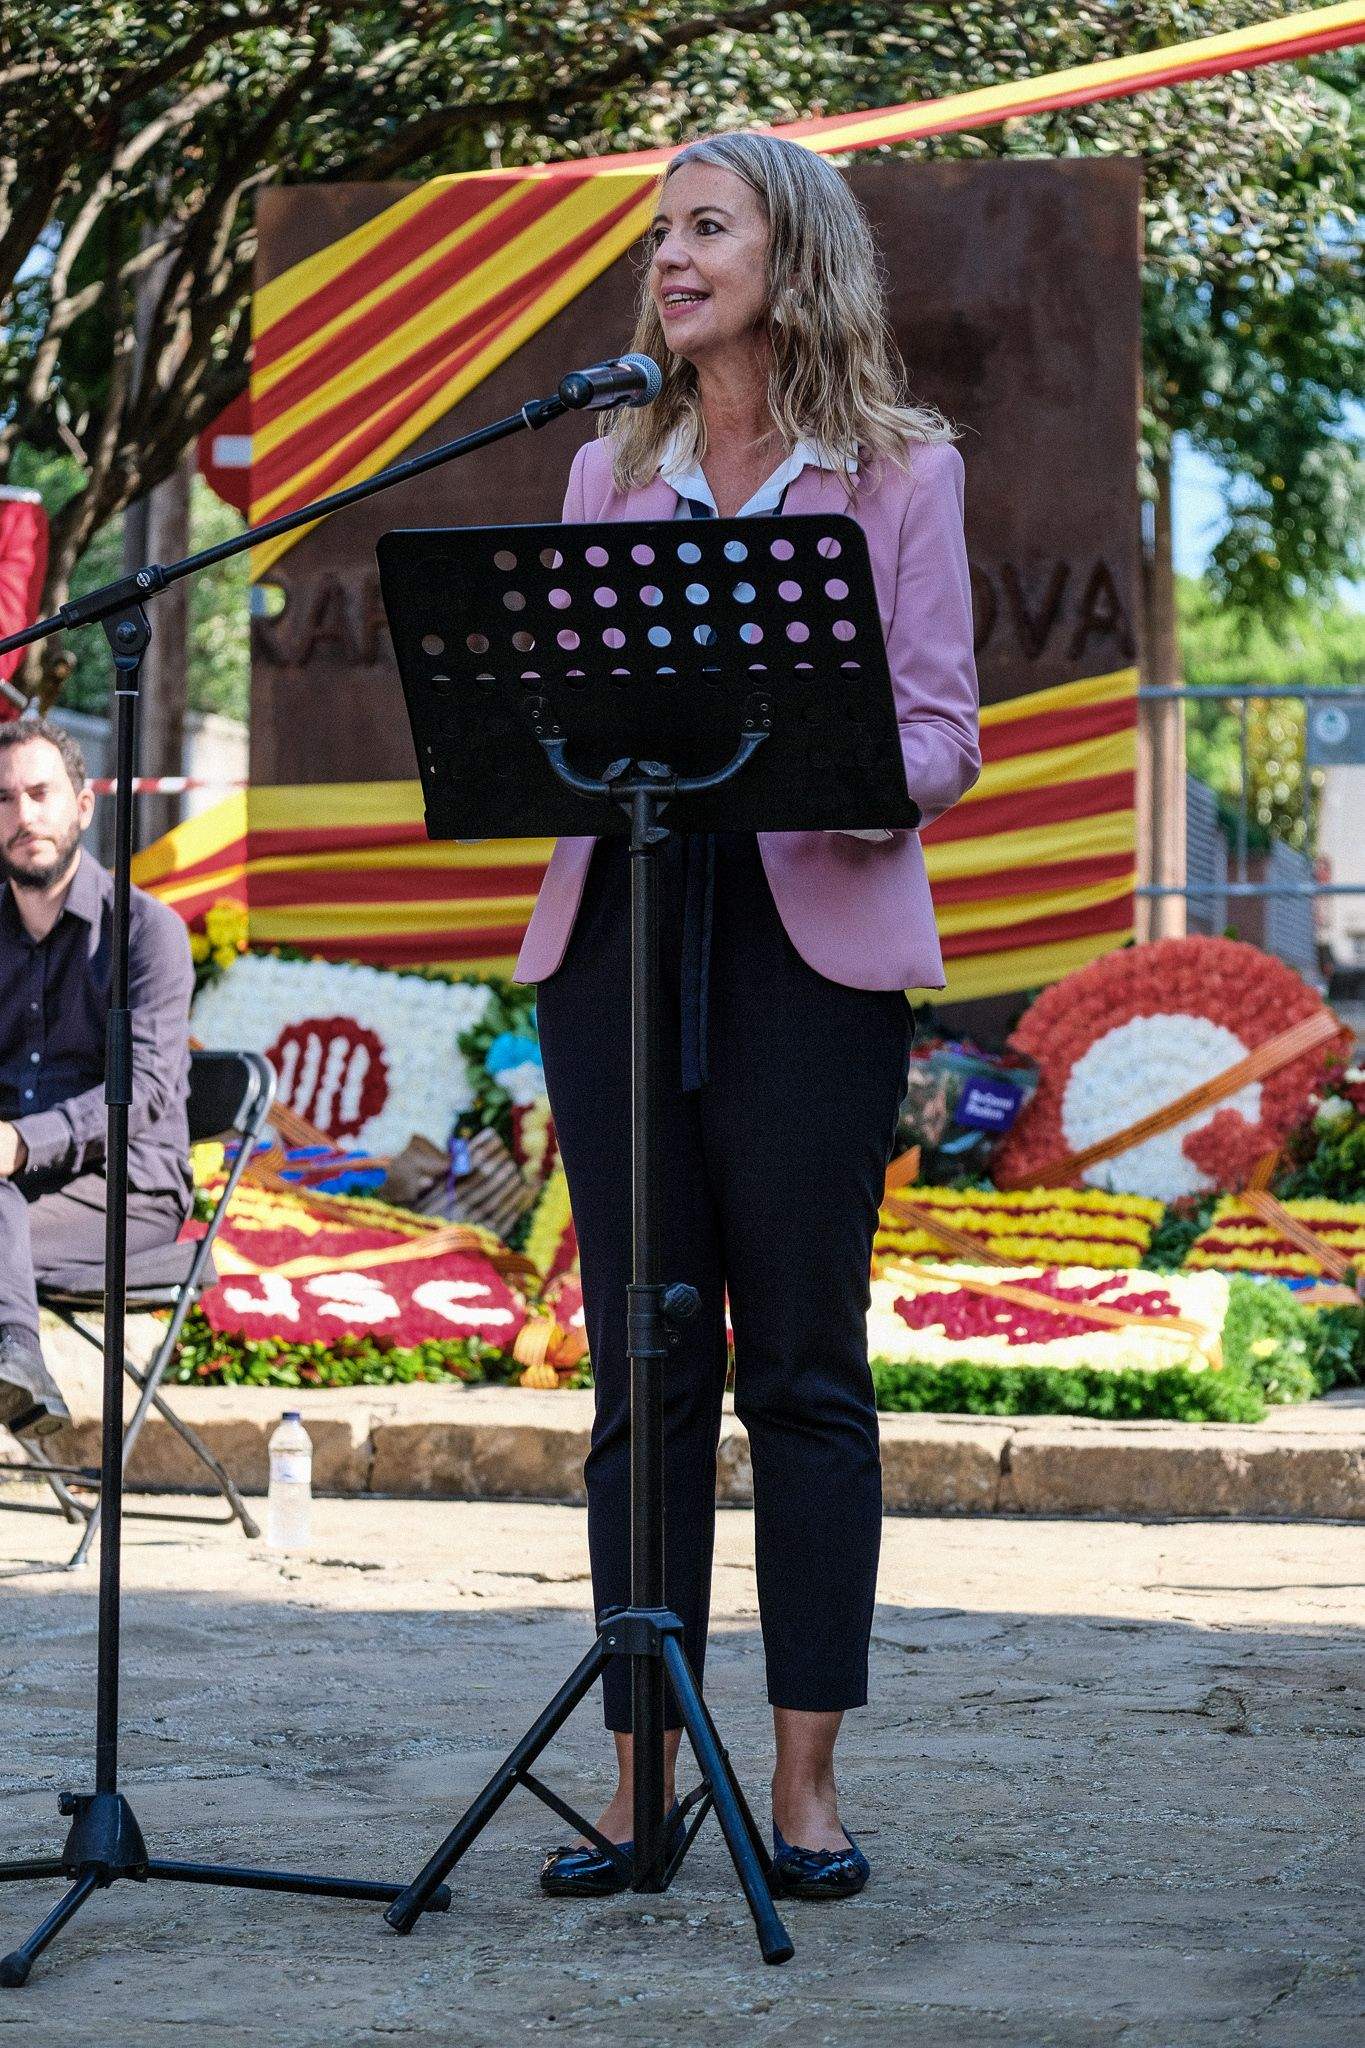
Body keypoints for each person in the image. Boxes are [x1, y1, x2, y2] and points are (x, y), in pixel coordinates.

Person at [516, 131, 981, 1903]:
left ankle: (800, 1787)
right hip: (624, 933)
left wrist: (837, 763)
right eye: (659, 232)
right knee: (640, 1369)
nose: (670, 257)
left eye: (705, 227)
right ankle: (639, 1786)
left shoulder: (899, 475)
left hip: (808, 954)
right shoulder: (602, 473)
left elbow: (942, 729)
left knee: (799, 1367)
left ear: (796, 254)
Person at [0, 718, 194, 1438]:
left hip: (128, 1190)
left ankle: (18, 1356)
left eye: (41, 793)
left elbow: (142, 1092)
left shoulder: (148, 932)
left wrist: (21, 1143)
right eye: (5, 799)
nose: (24, 816)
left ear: (82, 806)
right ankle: (17, 1365)